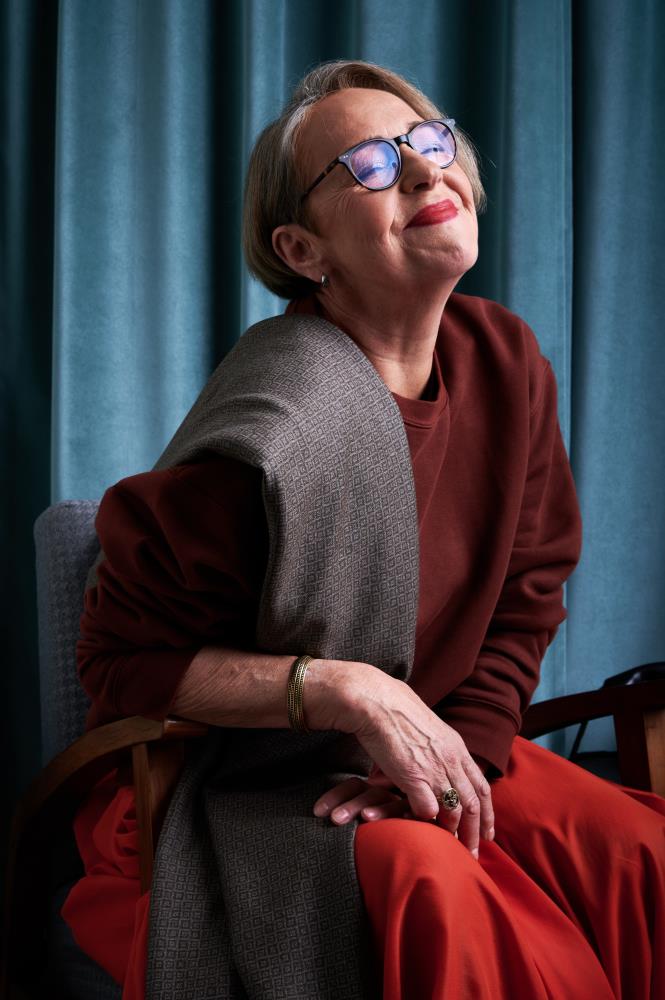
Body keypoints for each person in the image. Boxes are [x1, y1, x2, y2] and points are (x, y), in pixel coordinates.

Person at [61, 59, 665, 999]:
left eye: (430, 142)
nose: (426, 170)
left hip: (421, 748)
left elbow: (524, 597)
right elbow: (115, 660)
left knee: (637, 855)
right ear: (303, 252)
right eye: (372, 164)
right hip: (241, 779)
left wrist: (456, 749)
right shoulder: (273, 431)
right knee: (440, 889)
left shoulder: (507, 360)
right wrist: (346, 691)